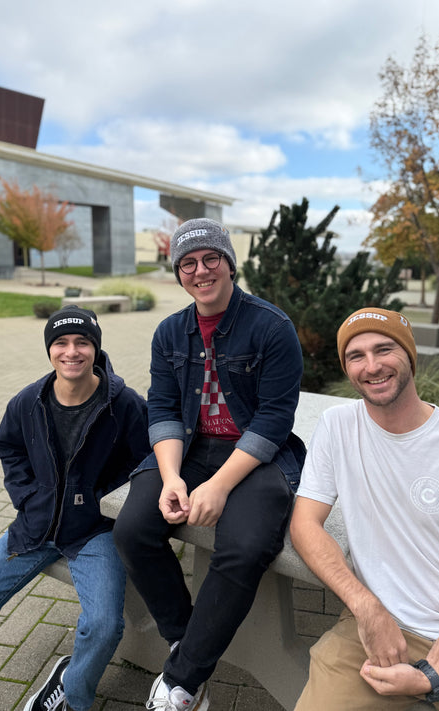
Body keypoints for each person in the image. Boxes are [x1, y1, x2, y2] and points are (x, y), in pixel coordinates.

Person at [113, 218, 306, 711]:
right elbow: (162, 408)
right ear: (179, 274)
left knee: (243, 547)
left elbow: (274, 419)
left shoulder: (271, 327)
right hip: (189, 449)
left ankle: (183, 680)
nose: (200, 271)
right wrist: (171, 478)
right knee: (132, 529)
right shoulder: (169, 332)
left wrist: (219, 486)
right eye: (188, 263)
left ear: (229, 264)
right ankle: (189, 641)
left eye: (210, 258)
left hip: (257, 455)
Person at [290, 307, 439, 711]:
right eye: (356, 356)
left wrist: (432, 672)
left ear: (410, 356)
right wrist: (366, 607)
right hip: (374, 630)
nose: (372, 366)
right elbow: (304, 525)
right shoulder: (337, 427)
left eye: (384, 350)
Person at [0, 305, 150, 711]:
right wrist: (29, 498)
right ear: (49, 350)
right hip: (35, 527)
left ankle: (72, 692)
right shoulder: (28, 402)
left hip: (93, 532)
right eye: (61, 342)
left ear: (96, 348)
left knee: (103, 626)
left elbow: (146, 460)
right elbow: (9, 448)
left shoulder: (125, 404)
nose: (71, 351)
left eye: (82, 342)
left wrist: (103, 500)